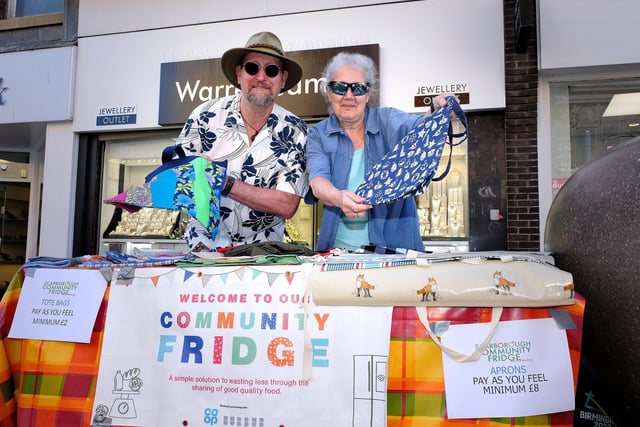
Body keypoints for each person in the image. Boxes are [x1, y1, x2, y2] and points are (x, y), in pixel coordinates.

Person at [174, 32, 309, 251]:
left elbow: (287, 204)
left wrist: (224, 182)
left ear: (282, 79)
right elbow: (179, 182)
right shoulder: (203, 116)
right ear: (239, 73)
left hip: (264, 256)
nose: (261, 77)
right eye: (252, 68)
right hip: (203, 250)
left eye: (271, 70)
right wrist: (193, 174)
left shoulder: (296, 131)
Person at [306, 52, 450, 252]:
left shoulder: (388, 121)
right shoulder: (319, 134)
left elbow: (420, 128)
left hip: (397, 252)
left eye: (358, 88)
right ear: (328, 91)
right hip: (338, 253)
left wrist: (436, 110)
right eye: (340, 87)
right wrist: (338, 197)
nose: (349, 96)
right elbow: (318, 181)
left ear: (369, 94)